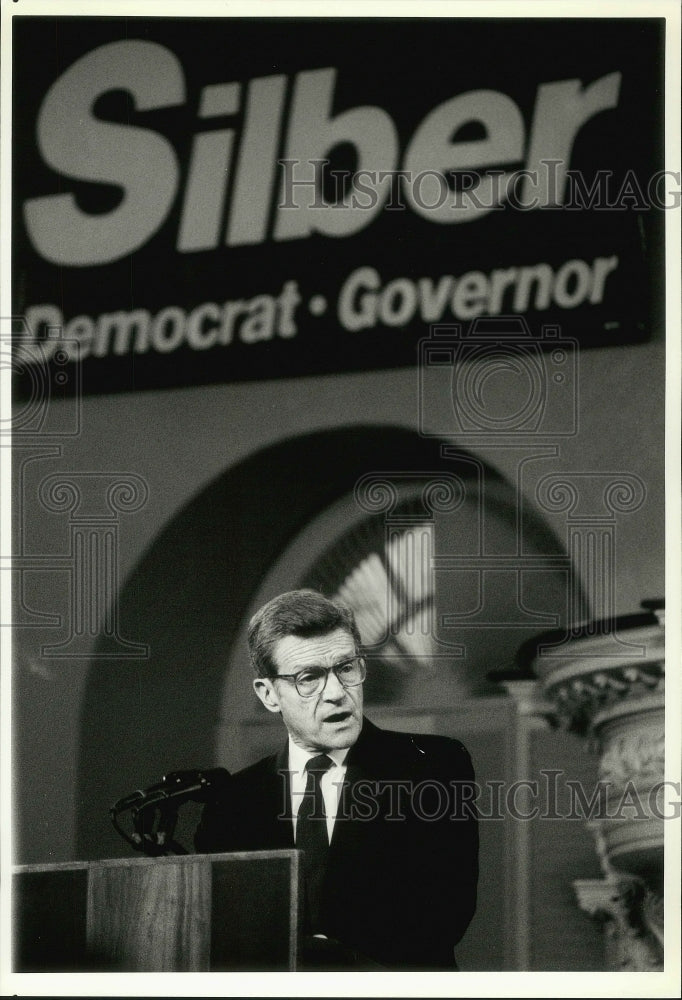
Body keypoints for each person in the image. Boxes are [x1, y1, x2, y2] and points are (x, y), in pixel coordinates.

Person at [195, 589, 478, 970]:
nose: (336, 694)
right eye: (309, 677)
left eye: (346, 668)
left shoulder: (432, 766)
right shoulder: (232, 802)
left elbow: (445, 913)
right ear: (268, 695)